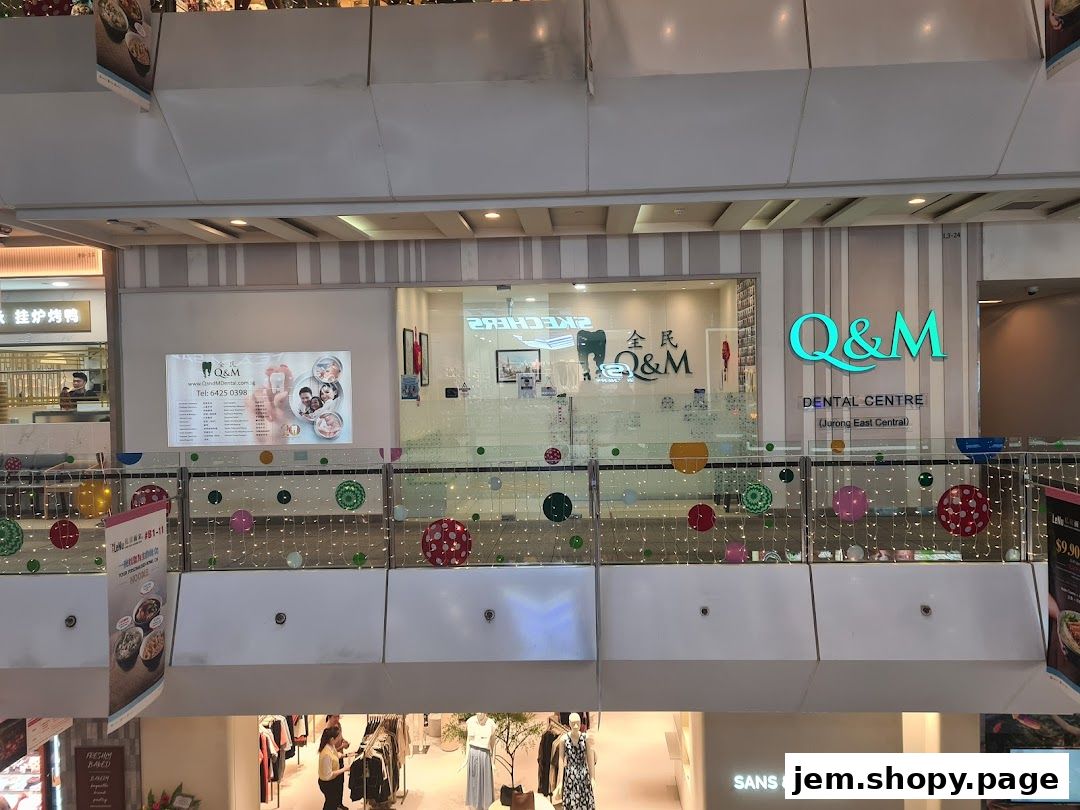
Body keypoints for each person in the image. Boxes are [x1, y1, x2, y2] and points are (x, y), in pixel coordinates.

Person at [318, 725, 349, 810]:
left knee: (333, 802)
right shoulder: (326, 755)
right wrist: (344, 769)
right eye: (337, 738)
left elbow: (336, 755)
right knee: (330, 804)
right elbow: (329, 775)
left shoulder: (331, 746)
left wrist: (346, 755)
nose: (339, 739)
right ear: (332, 739)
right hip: (327, 783)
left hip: (332, 781)